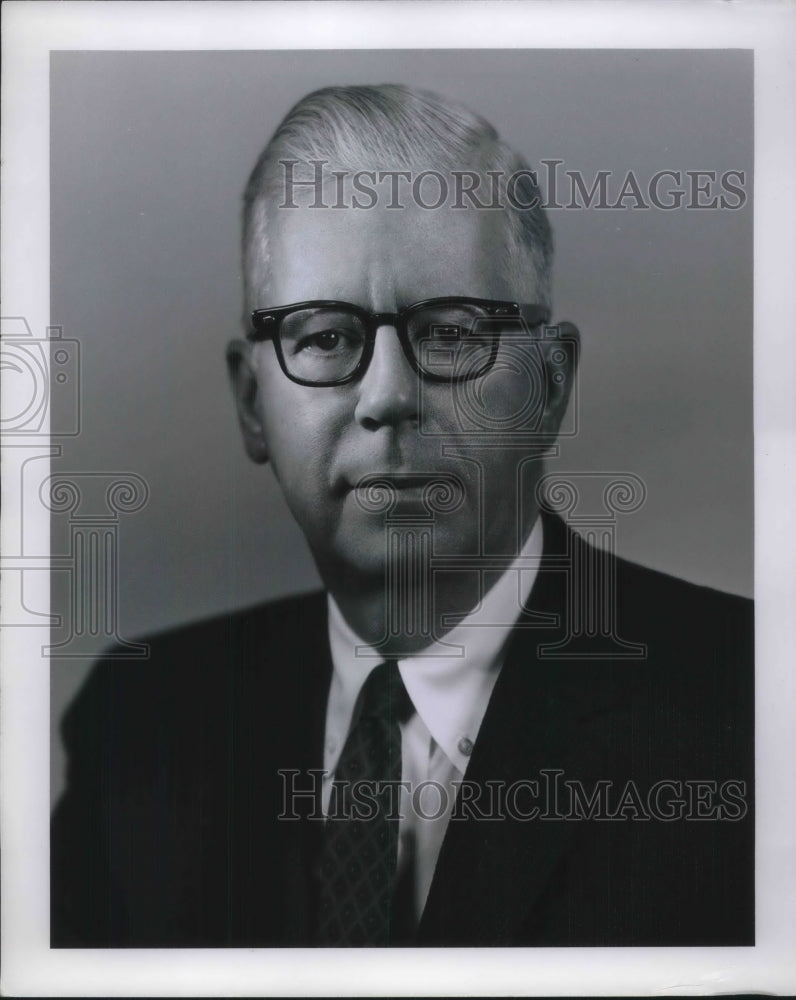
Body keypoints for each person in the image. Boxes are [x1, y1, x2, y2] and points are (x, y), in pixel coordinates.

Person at [51, 84, 753, 948]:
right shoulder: (142, 725)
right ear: (249, 403)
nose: (387, 397)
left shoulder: (753, 714)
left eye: (454, 331)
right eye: (324, 336)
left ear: (549, 385)